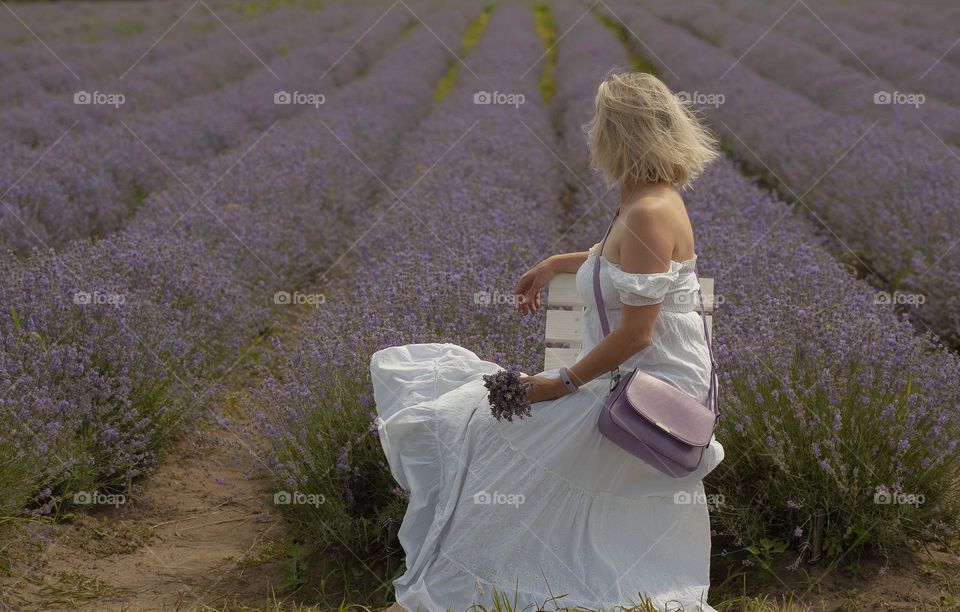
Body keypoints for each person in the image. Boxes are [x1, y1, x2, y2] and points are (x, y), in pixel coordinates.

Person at [372, 72, 724, 611]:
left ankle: (458, 593)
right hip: (619, 379)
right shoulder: (646, 200)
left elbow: (637, 332)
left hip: (649, 393)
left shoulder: (651, 211)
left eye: (598, 128)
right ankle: (469, 588)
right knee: (475, 426)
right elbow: (620, 262)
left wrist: (560, 384)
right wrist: (560, 263)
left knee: (488, 437)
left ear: (616, 137)